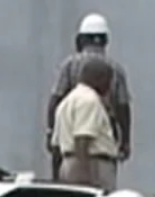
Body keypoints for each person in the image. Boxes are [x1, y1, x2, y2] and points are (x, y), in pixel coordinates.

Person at [46, 13, 132, 181]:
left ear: (80, 40)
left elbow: (55, 99)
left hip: (68, 137)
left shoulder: (69, 65)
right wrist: (125, 141)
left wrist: (51, 132)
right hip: (101, 141)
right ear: (105, 40)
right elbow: (123, 107)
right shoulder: (115, 69)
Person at [52, 57, 118, 192]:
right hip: (91, 166)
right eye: (108, 80)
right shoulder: (89, 100)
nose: (109, 86)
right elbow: (82, 140)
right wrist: (85, 179)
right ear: (100, 78)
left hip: (69, 165)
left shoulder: (67, 101)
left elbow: (55, 145)